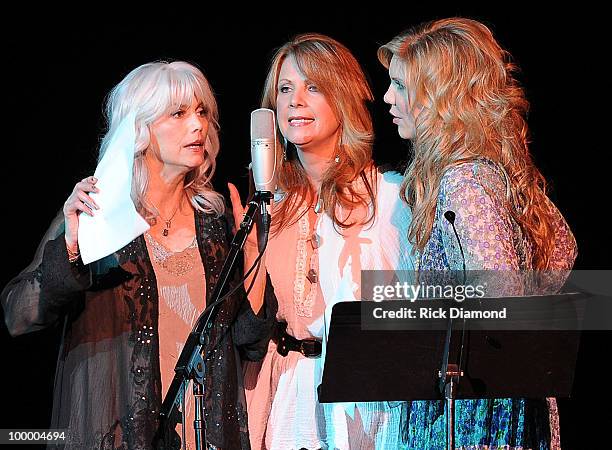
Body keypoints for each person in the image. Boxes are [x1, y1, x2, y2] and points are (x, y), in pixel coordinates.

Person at [1, 61, 274, 450]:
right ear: (140, 130)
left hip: (205, 435)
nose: (197, 125)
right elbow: (19, 314)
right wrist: (73, 246)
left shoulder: (216, 223)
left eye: (202, 112)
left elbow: (250, 339)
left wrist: (252, 258)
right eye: (178, 113)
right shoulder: (100, 215)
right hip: (116, 433)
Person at [378, 17, 577, 449]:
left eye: (401, 86)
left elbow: (500, 296)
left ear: (441, 97)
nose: (387, 97)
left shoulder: (463, 182)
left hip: (471, 413)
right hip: (508, 399)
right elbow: (564, 247)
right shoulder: (499, 172)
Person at [232, 33, 413, 450]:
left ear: (344, 95)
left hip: (363, 403)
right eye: (285, 89)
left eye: (313, 86)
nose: (295, 101)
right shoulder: (266, 204)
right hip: (283, 399)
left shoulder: (389, 197)